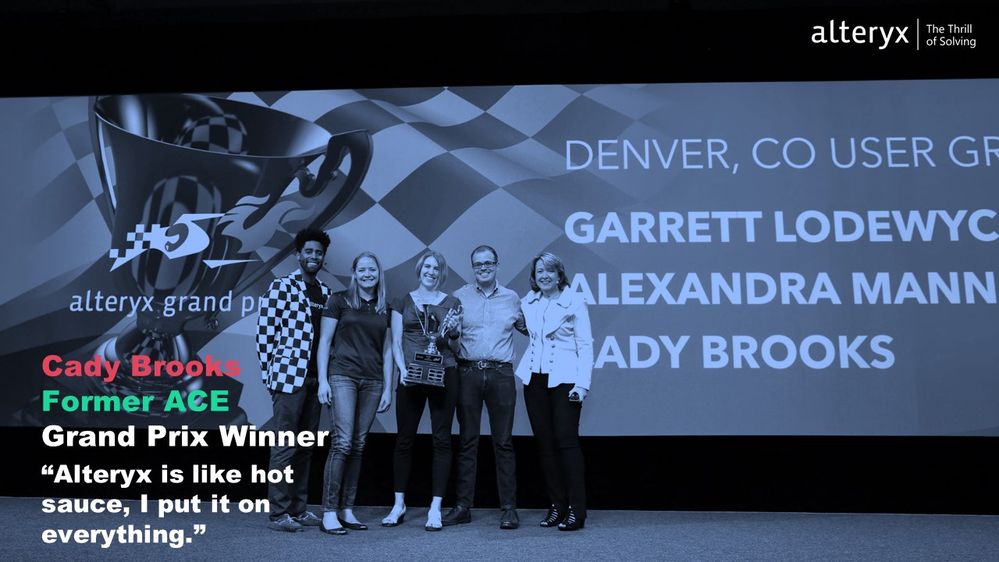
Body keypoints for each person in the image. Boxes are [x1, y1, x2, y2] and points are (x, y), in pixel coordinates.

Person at [256, 228, 333, 532]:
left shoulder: (326, 293)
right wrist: (270, 376)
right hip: (288, 379)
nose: (314, 256)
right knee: (284, 446)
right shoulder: (281, 287)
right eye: (309, 251)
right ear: (298, 254)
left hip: (317, 379)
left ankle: (299, 509)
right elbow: (264, 334)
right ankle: (278, 513)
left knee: (305, 448)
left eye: (318, 252)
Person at [443, 245, 522, 530]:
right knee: (467, 441)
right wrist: (452, 333)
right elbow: (452, 343)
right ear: (473, 268)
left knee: (503, 443)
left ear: (497, 265)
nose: (484, 267)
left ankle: (509, 509)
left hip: (501, 374)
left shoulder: (513, 298)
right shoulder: (459, 297)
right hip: (468, 373)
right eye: (478, 264)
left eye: (489, 263)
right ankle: (463, 507)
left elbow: (531, 329)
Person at [382, 250, 462, 531]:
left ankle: (435, 507)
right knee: (404, 440)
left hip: (445, 373)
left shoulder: (453, 303)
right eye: (427, 266)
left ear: (442, 273)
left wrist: (452, 333)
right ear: (419, 270)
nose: (431, 271)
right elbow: (394, 340)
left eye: (437, 268)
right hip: (410, 376)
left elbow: (454, 346)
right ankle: (398, 504)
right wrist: (403, 371)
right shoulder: (401, 301)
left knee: (442, 440)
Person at [315, 252, 393, 535]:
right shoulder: (339, 300)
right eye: (362, 269)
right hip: (342, 376)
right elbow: (324, 342)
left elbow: (387, 350)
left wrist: (388, 387)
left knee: (359, 445)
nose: (367, 274)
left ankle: (347, 509)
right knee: (343, 443)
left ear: (378, 273)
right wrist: (323, 381)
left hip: (372, 381)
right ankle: (329, 511)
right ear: (354, 272)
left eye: (372, 269)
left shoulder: (385, 306)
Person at [516, 251, 593, 531]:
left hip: (565, 380)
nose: (544, 275)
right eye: (539, 272)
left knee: (567, 444)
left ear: (559, 274)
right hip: (534, 380)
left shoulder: (575, 301)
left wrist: (582, 385)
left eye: (550, 270)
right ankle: (557, 506)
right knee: (545, 447)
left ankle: (576, 509)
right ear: (534, 277)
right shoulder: (528, 302)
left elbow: (585, 345)